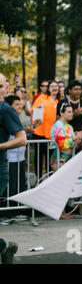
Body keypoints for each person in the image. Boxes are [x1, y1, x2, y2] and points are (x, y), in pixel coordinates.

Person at [0, 73, 26, 264]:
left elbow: (21, 139)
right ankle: (4, 247)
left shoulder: (6, 110)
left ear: (6, 89)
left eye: (0, 86)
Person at [50, 102, 82, 219]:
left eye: (72, 111)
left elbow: (73, 143)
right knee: (60, 186)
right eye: (69, 112)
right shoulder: (58, 125)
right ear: (61, 113)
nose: (72, 114)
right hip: (58, 159)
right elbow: (62, 144)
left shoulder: (69, 126)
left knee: (64, 186)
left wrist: (80, 137)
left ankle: (62, 211)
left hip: (66, 158)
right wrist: (76, 137)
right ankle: (60, 212)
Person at [31, 80, 60, 177]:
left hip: (52, 135)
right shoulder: (42, 97)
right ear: (49, 88)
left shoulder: (59, 101)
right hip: (39, 132)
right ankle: (38, 179)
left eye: (56, 86)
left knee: (49, 158)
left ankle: (48, 179)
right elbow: (33, 111)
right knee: (38, 157)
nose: (54, 87)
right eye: (52, 86)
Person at [5, 96, 28, 199]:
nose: (20, 107)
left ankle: (18, 210)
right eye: (16, 105)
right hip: (10, 159)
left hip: (20, 158)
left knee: (21, 185)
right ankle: (9, 212)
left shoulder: (17, 118)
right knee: (11, 187)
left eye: (20, 104)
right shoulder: (7, 118)